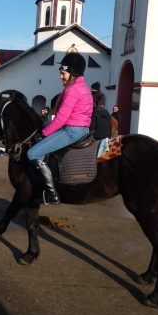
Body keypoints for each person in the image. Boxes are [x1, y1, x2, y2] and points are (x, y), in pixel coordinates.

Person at [27, 52, 93, 205]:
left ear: (73, 73)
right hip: (83, 129)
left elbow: (61, 119)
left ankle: (51, 193)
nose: (61, 77)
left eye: (63, 73)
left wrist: (43, 133)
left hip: (72, 131)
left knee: (33, 152)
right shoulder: (83, 87)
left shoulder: (72, 90)